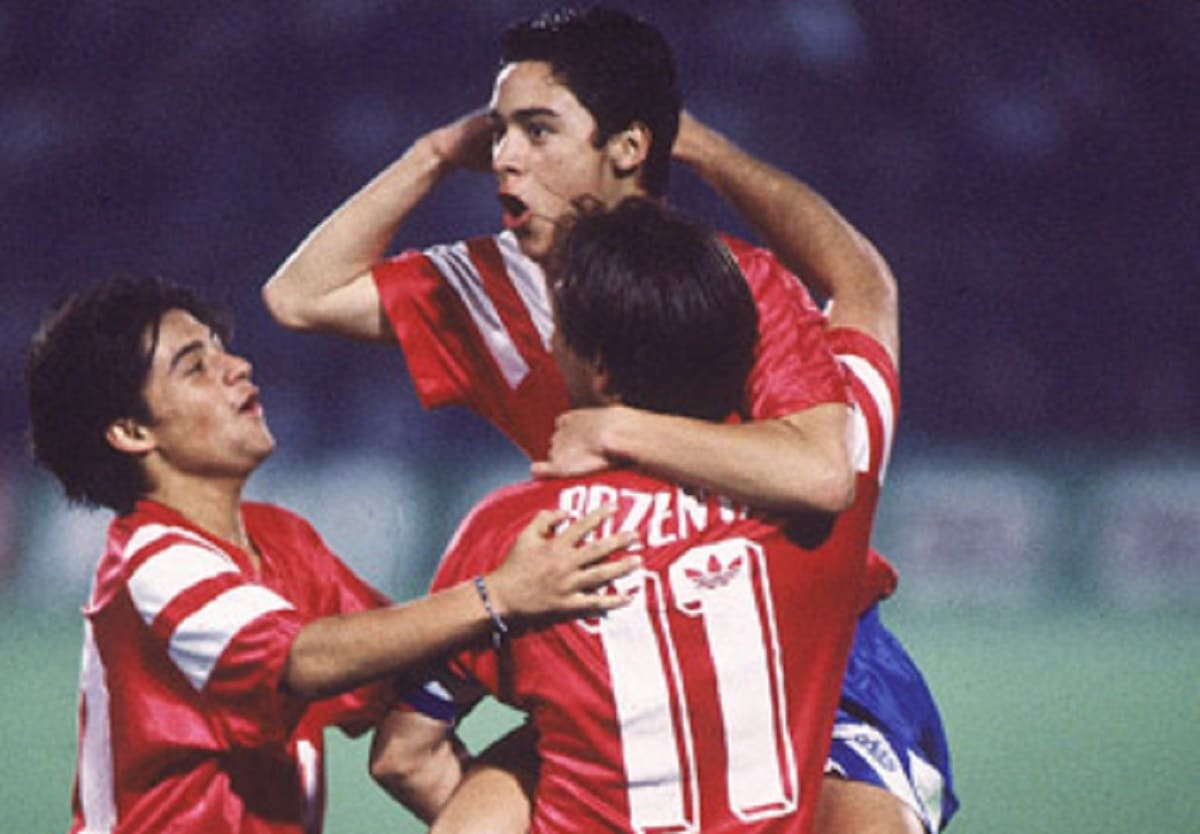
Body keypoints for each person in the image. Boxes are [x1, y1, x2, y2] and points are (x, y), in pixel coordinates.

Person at [263, 6, 956, 832]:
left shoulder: (731, 285)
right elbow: (298, 297)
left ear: (629, 147)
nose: (504, 160)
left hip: (797, 647)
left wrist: (617, 429)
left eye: (536, 132)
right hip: (607, 630)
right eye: (497, 134)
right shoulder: (486, 283)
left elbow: (818, 472)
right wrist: (432, 154)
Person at [24, 274, 640, 834]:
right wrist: (498, 596)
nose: (236, 366)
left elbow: (401, 671)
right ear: (132, 432)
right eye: (195, 366)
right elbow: (303, 660)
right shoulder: (149, 561)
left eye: (222, 348)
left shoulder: (283, 541)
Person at [371, 197, 879, 833]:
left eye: (559, 331)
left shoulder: (517, 538)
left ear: (602, 371)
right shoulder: (821, 514)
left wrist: (499, 792)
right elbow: (865, 289)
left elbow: (403, 757)